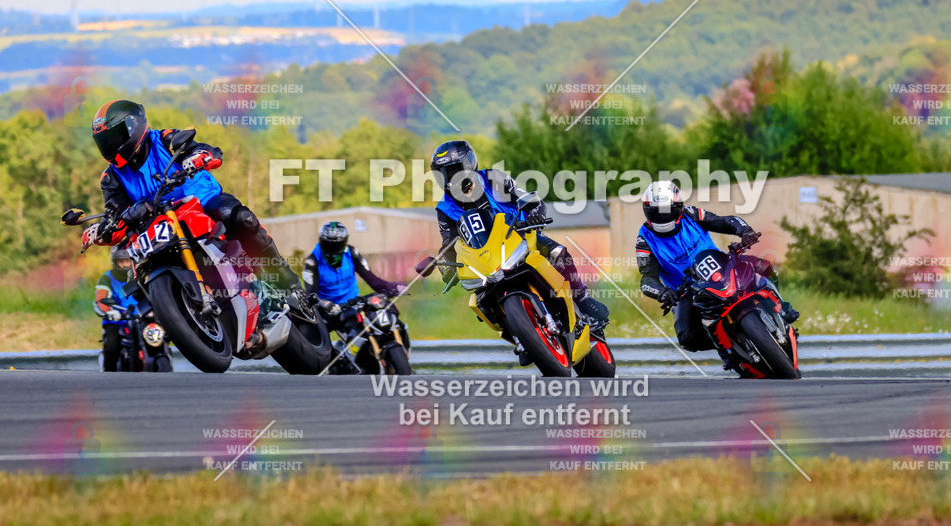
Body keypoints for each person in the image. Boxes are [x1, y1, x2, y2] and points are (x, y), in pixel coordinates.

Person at [83, 100, 306, 347]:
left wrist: (198, 157)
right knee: (135, 271)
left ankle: (286, 282)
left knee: (240, 218)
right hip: (157, 223)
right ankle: (180, 313)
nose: (111, 146)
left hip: (200, 200)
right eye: (105, 141)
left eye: (115, 137)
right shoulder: (111, 176)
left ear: (134, 127)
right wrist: (101, 229)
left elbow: (206, 151)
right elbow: (115, 211)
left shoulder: (165, 139)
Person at [428, 140, 609, 346]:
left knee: (558, 253)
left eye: (453, 170)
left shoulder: (492, 178)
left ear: (469, 164)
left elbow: (530, 199)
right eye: (442, 173)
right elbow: (449, 243)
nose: (449, 178)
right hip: (484, 258)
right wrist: (446, 267)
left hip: (519, 235)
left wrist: (534, 215)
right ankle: (518, 333)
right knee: (480, 302)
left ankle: (583, 299)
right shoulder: (444, 208)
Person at [635, 180, 798, 370]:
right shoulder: (644, 240)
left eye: (666, 210)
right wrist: (663, 292)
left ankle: (781, 307)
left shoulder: (692, 214)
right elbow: (647, 278)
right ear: (646, 210)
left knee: (764, 266)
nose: (662, 217)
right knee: (687, 337)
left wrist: (744, 231)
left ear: (678, 207)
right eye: (656, 211)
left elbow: (724, 221)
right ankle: (727, 349)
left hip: (721, 267)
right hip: (686, 290)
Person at [303, 221, 406, 373]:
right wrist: (323, 304)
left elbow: (372, 279)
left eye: (337, 244)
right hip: (326, 309)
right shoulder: (312, 262)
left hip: (352, 305)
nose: (333, 249)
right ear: (321, 242)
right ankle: (332, 365)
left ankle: (392, 351)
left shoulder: (352, 253)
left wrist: (393, 287)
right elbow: (311, 293)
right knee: (314, 336)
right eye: (328, 244)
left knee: (382, 316)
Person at [94, 245, 137, 371]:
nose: (125, 265)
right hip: (117, 320)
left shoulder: (139, 274)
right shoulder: (106, 278)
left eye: (128, 261)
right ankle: (108, 371)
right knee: (112, 346)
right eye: (121, 262)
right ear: (115, 262)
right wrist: (110, 312)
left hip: (139, 319)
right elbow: (100, 300)